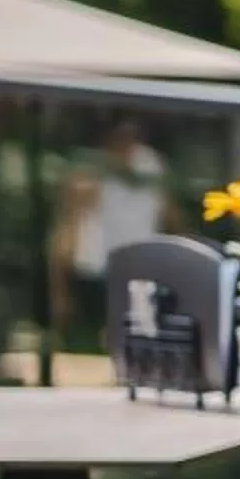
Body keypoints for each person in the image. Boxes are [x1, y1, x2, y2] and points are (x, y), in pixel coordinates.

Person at [47, 117, 175, 347]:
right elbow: (68, 226)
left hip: (140, 271)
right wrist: (60, 289)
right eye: (122, 139)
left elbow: (168, 214)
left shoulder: (151, 167)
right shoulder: (88, 174)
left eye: (133, 139)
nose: (128, 146)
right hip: (94, 273)